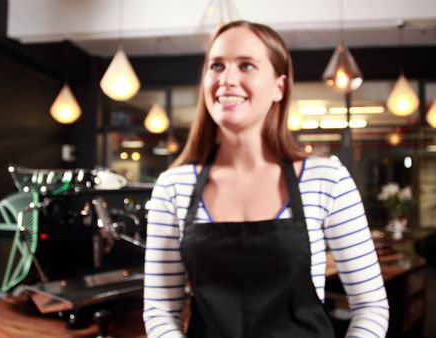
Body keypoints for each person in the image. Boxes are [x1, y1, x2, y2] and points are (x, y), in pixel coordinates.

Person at [143, 20, 389, 338]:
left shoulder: (327, 180)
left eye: (246, 65)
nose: (227, 79)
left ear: (279, 87)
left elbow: (370, 306)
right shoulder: (173, 187)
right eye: (216, 66)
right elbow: (160, 310)